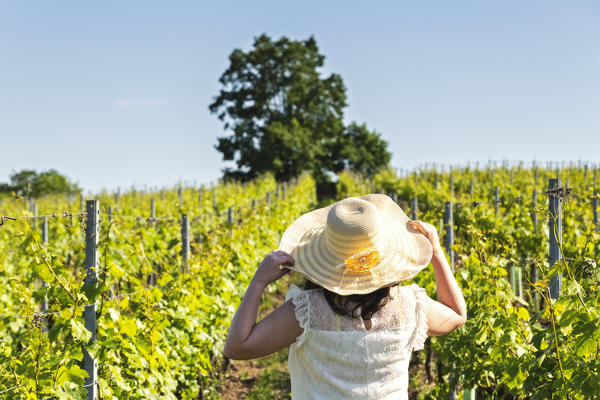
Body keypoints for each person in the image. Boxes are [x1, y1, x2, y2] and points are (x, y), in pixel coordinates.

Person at [224, 194, 467, 399]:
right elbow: (456, 315)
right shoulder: (409, 306)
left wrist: (258, 283)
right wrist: (435, 252)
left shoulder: (308, 312)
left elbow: (237, 347)